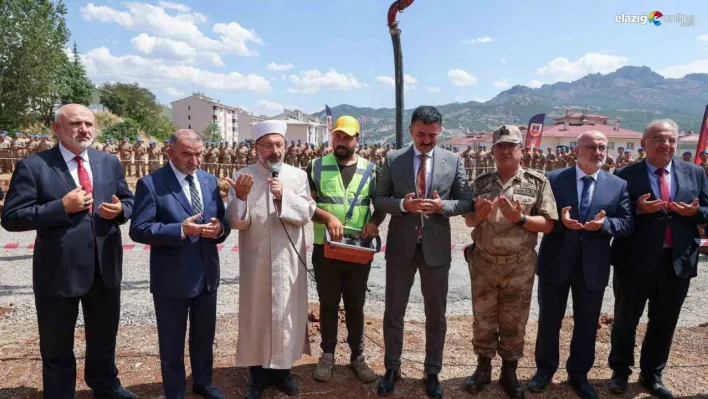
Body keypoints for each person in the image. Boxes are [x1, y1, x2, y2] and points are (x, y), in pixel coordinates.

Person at [0, 104, 135, 399]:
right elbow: (11, 217)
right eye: (76, 123)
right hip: (59, 271)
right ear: (57, 128)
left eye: (88, 123)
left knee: (104, 334)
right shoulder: (34, 166)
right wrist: (60, 207)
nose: (84, 129)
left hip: (104, 267)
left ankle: (105, 384)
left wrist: (121, 209)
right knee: (57, 341)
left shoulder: (108, 162)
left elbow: (129, 200)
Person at [374, 106, 473, 399]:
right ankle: (392, 368)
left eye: (431, 135)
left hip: (436, 249)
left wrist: (443, 207)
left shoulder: (453, 160)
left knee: (436, 314)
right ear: (411, 131)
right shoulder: (393, 159)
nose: (426, 140)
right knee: (394, 311)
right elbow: (379, 199)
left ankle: (432, 372)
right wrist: (403, 206)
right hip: (401, 248)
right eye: (420, 134)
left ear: (440, 131)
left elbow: (466, 201)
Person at [608, 119, 708, 398]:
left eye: (671, 140)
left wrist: (694, 214)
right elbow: (614, 214)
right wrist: (638, 210)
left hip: (677, 261)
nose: (666, 144)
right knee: (626, 319)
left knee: (664, 321)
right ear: (644, 144)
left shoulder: (695, 173)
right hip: (634, 260)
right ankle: (619, 371)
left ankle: (652, 374)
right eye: (659, 139)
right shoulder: (624, 174)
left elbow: (707, 209)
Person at [129, 129, 231, 399]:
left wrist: (220, 228)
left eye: (198, 154)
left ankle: (203, 382)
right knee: (172, 342)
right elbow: (139, 229)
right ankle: (174, 391)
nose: (194, 160)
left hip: (207, 275)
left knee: (203, 337)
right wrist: (181, 230)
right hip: (172, 279)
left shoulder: (209, 181)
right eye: (187, 154)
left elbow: (222, 222)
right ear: (170, 151)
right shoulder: (151, 184)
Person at [530, 131, 632, 399]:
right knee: (549, 321)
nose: (598, 152)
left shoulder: (617, 185)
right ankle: (544, 370)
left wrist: (604, 225)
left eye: (602, 147)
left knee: (587, 324)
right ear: (577, 151)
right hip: (555, 263)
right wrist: (559, 222)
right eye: (591, 147)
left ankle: (579, 375)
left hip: (593, 266)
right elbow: (538, 215)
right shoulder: (552, 179)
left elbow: (626, 222)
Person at [462, 125, 557, 399]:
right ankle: (482, 369)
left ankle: (509, 371)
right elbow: (468, 220)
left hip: (519, 266)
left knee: (514, 322)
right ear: (492, 151)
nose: (504, 151)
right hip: (483, 264)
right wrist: (478, 216)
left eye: (510, 146)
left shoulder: (537, 182)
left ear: (521, 150)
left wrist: (521, 219)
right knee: (483, 320)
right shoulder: (481, 183)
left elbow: (549, 224)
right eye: (499, 146)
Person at [224, 120, 316, 399]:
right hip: (256, 260)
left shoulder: (297, 176)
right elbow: (236, 223)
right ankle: (257, 375)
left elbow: (306, 213)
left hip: (288, 260)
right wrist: (240, 198)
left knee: (286, 314)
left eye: (279, 145)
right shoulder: (243, 176)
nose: (274, 151)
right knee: (257, 313)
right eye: (268, 146)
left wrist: (283, 195)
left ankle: (284, 372)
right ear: (257, 148)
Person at [308, 116, 384, 384]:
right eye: (337, 136)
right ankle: (327, 356)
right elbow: (307, 205)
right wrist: (328, 218)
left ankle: (357, 358)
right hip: (326, 249)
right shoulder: (315, 166)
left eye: (347, 137)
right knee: (328, 304)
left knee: (355, 304)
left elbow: (381, 205)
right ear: (332, 137)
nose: (341, 141)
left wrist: (374, 222)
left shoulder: (371, 170)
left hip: (357, 250)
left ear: (357, 140)